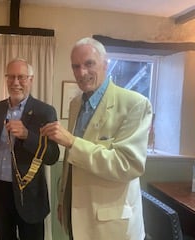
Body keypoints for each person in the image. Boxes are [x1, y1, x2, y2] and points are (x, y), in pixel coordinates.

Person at [41, 37, 153, 240]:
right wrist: (63, 201)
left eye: (89, 64)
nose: (81, 72)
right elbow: (70, 163)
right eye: (76, 66)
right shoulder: (76, 103)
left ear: (105, 63)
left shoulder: (135, 104)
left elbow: (128, 165)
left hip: (111, 226)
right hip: (76, 217)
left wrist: (73, 142)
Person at [0, 58, 60, 240]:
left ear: (31, 80)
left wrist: (27, 135)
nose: (15, 82)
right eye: (11, 77)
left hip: (30, 194)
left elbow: (52, 156)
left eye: (21, 77)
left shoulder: (45, 111)